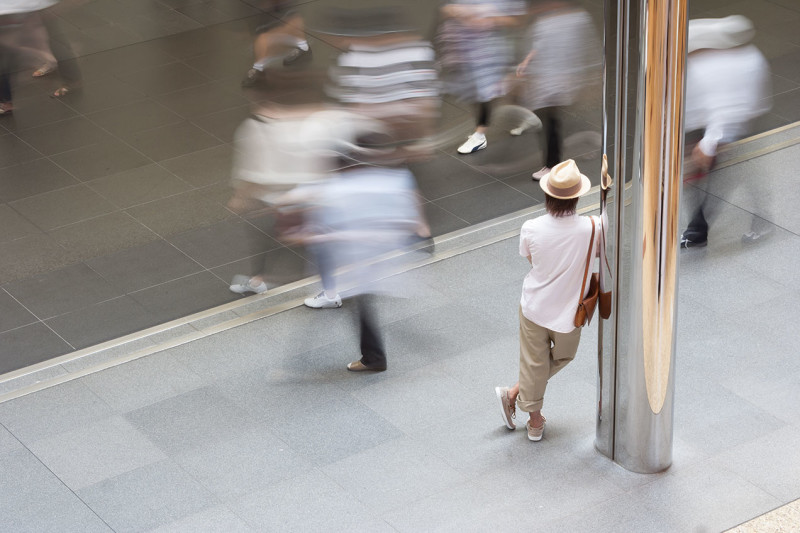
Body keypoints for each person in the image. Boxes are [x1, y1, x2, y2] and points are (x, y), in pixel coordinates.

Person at [494, 159, 601, 441]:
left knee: (534, 362)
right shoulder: (593, 228)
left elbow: (530, 259)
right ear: (577, 196)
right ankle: (534, 418)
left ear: (547, 195)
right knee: (564, 355)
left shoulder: (531, 227)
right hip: (569, 313)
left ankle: (516, 394)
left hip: (534, 307)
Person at [680, 15, 771, 248]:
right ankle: (697, 228)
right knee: (706, 178)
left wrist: (710, 143)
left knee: (730, 177)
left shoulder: (744, 64)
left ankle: (760, 220)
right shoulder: (702, 61)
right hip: (707, 128)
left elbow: (727, 109)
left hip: (730, 129)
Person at [515, 1, 600, 180]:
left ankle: (553, 164)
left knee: (551, 121)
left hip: (561, 79)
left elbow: (588, 48)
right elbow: (538, 45)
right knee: (550, 119)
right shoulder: (544, 20)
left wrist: (592, 74)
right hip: (547, 79)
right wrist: (527, 62)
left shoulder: (577, 19)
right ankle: (559, 159)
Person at [436, 0, 525, 154]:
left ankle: (480, 134)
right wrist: (455, 11)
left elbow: (517, 19)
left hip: (491, 50)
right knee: (477, 90)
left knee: (485, 91)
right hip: (465, 48)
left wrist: (487, 19)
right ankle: (520, 109)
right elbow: (446, 8)